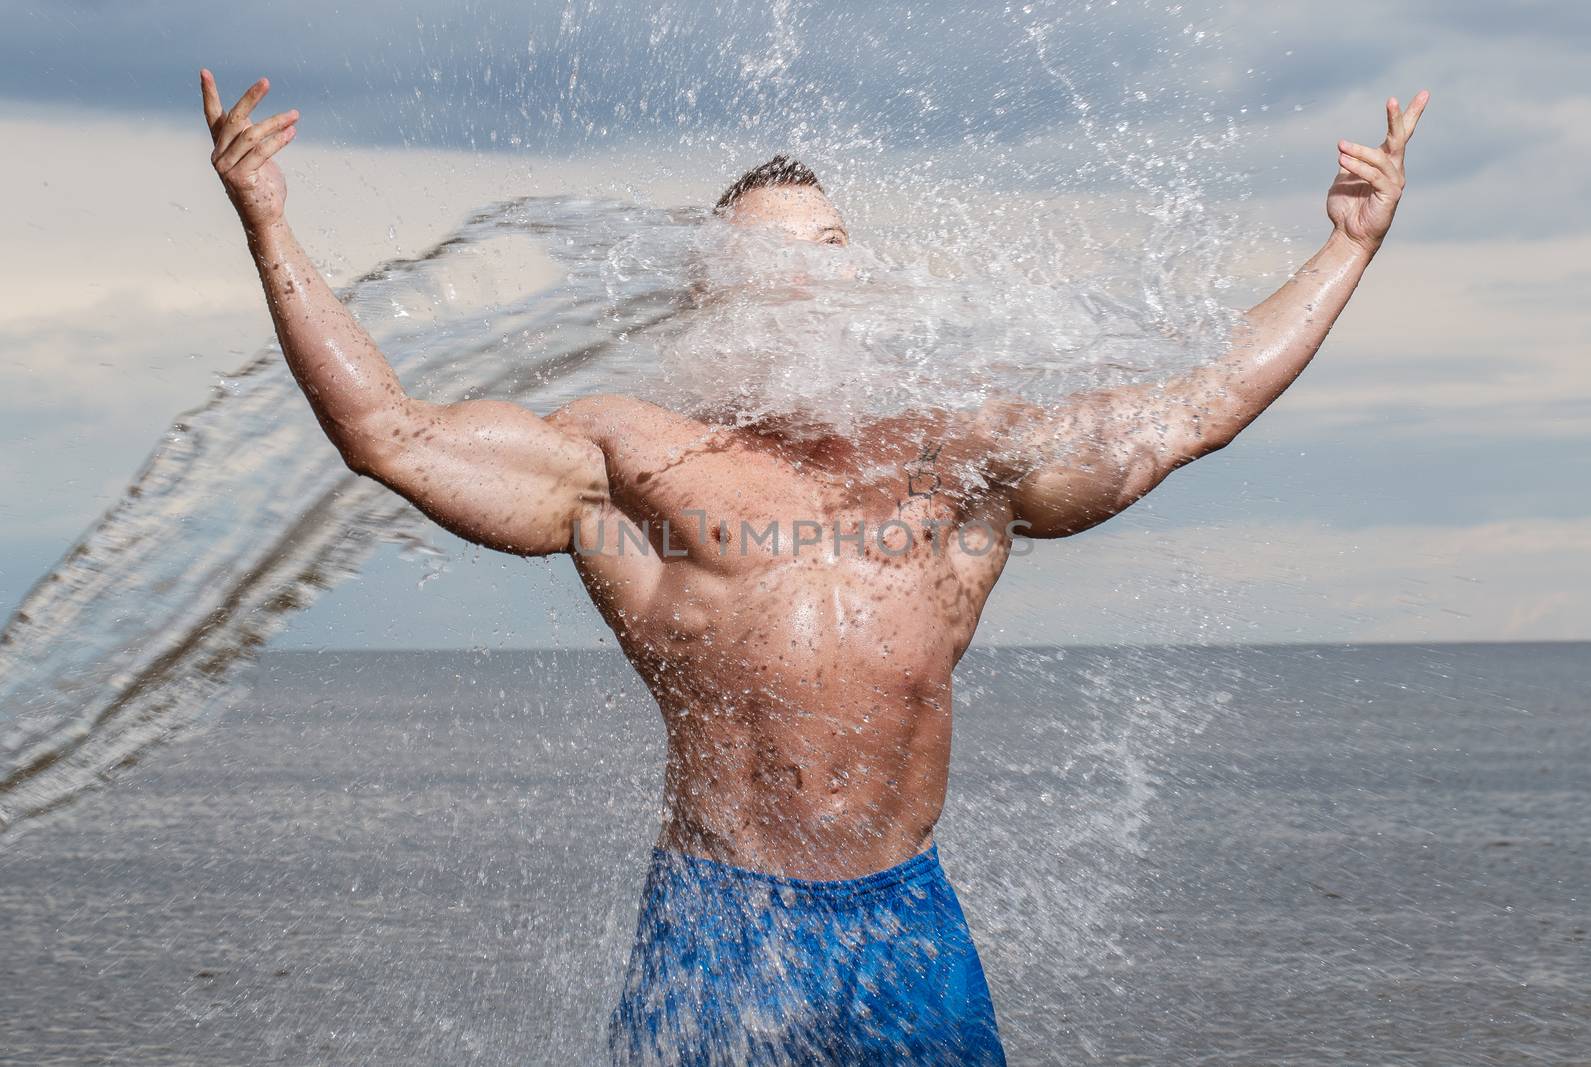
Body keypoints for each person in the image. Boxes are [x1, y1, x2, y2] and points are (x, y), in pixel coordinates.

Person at [199, 68, 1427, 1065]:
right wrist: (267, 221)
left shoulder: (958, 456)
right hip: (720, 923)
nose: (805, 271)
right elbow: (391, 434)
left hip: (905, 921)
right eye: (765, 256)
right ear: (717, 295)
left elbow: (1196, 405)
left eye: (828, 242)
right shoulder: (634, 459)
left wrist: (1348, 250)